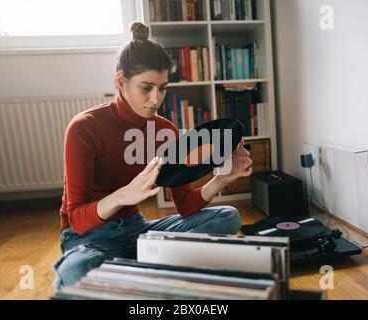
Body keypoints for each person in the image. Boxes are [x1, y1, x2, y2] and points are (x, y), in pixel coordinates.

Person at [53, 21, 253, 292]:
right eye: (146, 87)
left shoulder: (164, 130)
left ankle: (131, 275)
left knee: (227, 217)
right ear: (121, 80)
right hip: (89, 238)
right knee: (78, 269)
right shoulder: (85, 127)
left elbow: (184, 205)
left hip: (138, 231)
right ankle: (150, 272)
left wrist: (220, 180)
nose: (156, 99)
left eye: (162, 88)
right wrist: (123, 195)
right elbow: (76, 218)